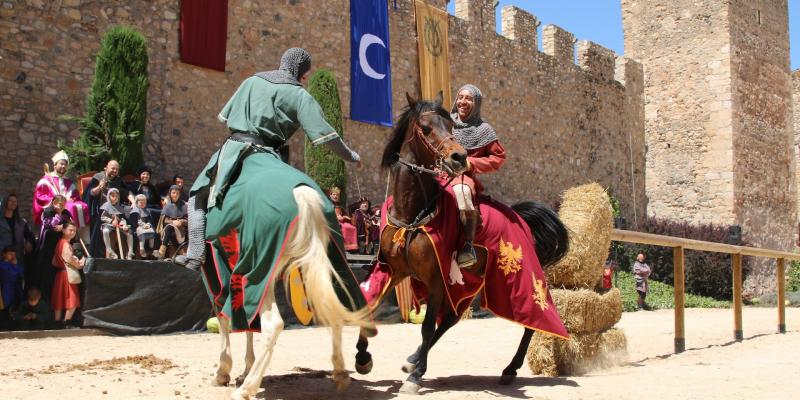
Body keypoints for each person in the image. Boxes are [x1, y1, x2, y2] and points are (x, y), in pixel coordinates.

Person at [178, 47, 362, 273]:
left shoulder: (252, 81)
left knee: (198, 195)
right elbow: (327, 137)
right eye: (306, 75)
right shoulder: (300, 95)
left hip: (234, 149)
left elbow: (226, 117)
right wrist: (351, 156)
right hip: (268, 154)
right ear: (302, 73)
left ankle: (195, 255)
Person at [448, 84, 506, 268]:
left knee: (463, 192)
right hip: (438, 172)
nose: (463, 102)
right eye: (460, 97)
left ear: (476, 103)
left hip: (462, 175)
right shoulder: (445, 122)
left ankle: (467, 246)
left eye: (468, 98)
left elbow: (498, 158)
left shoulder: (484, 130)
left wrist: (471, 163)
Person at [32, 150, 90, 233]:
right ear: (55, 166)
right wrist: (56, 201)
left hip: (66, 205)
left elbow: (75, 197)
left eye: (65, 164)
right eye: (61, 164)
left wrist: (72, 199)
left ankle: (79, 234)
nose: (63, 166)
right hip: (53, 209)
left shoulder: (68, 182)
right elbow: (40, 196)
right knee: (70, 207)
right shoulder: (45, 180)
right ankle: (67, 231)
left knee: (83, 206)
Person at [84, 160, 130, 257]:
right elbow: (90, 193)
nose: (114, 171)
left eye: (117, 169)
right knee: (98, 228)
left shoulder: (118, 180)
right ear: (106, 168)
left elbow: (127, 193)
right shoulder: (98, 177)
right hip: (100, 210)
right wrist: (99, 187)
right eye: (113, 168)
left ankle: (127, 253)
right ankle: (98, 255)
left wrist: (134, 202)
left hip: (116, 209)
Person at [33, 195, 72, 303]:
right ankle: (45, 300)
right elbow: (50, 224)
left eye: (63, 203)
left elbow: (70, 226)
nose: (60, 205)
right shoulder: (47, 212)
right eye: (58, 202)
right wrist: (59, 216)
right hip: (47, 249)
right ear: (53, 202)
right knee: (46, 275)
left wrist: (63, 227)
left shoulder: (67, 213)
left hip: (60, 248)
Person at [51, 221, 85, 328]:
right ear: (64, 230)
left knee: (59, 300)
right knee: (73, 301)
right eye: (70, 230)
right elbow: (69, 260)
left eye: (74, 230)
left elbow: (54, 262)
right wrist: (81, 263)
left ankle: (57, 324)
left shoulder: (60, 243)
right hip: (67, 274)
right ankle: (66, 323)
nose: (73, 232)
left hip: (60, 274)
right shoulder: (65, 244)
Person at [0, 194, 35, 273]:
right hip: (2, 259)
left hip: (18, 258)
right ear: (5, 203)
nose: (13, 203)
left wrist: (29, 242)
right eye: (11, 201)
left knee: (17, 282)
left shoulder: (21, 222)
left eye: (15, 201)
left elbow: (30, 235)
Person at [99, 188, 134, 260]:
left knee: (129, 232)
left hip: (119, 225)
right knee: (105, 231)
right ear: (109, 196)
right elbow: (102, 217)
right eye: (112, 196)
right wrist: (111, 221)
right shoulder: (106, 206)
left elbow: (122, 218)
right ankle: (109, 250)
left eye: (116, 196)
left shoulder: (120, 207)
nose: (114, 198)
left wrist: (124, 224)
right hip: (109, 225)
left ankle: (130, 252)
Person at [157, 185, 187, 259]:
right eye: (173, 193)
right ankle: (178, 252)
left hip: (181, 228)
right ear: (170, 193)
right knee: (170, 228)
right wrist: (173, 222)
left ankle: (162, 250)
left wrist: (180, 221)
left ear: (179, 194)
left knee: (171, 230)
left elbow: (187, 220)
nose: (175, 195)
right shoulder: (167, 206)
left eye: (177, 193)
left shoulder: (184, 205)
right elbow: (164, 220)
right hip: (170, 227)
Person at [329, 187, 358, 253]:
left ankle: (350, 248)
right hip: (333, 221)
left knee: (352, 228)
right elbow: (328, 214)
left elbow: (344, 213)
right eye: (334, 194)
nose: (335, 196)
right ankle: (344, 247)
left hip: (342, 221)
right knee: (345, 228)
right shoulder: (329, 204)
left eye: (337, 195)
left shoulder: (339, 205)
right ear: (330, 195)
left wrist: (345, 217)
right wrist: (336, 217)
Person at [0, 246, 24, 328]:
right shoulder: (2, 265)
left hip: (15, 288)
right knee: (6, 306)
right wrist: (15, 266)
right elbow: (12, 275)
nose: (12, 256)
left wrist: (16, 265)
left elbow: (21, 273)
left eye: (14, 255)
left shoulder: (14, 263)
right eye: (10, 254)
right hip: (6, 288)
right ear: (4, 254)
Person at [130, 194, 156, 259]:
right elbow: (134, 222)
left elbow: (150, 221)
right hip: (138, 227)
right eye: (141, 202)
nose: (142, 204)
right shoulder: (134, 211)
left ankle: (151, 249)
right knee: (142, 233)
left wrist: (148, 225)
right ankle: (141, 249)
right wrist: (141, 226)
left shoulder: (147, 211)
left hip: (146, 227)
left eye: (144, 203)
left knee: (152, 232)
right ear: (137, 202)